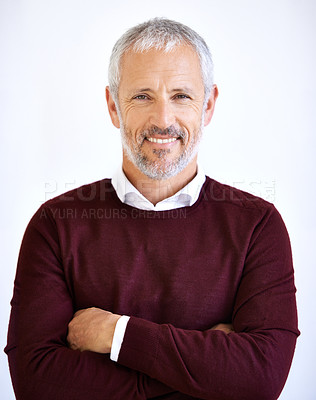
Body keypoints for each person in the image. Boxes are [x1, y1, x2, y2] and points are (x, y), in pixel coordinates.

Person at [5, 18, 299, 400]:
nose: (163, 119)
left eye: (181, 96)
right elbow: (36, 382)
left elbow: (260, 380)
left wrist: (116, 334)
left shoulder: (258, 226)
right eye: (142, 96)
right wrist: (208, 372)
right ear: (114, 106)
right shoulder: (55, 224)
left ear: (207, 106)